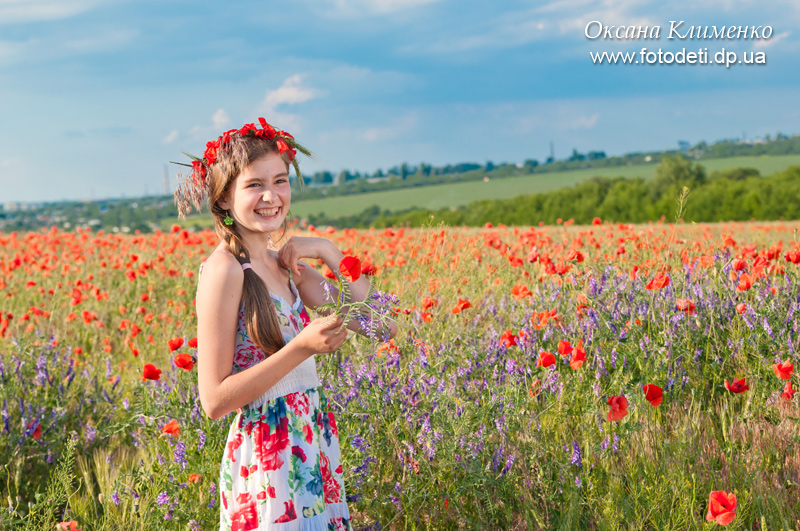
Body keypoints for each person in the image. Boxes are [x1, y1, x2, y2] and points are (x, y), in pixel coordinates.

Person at [177, 117, 397, 530]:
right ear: (223, 199)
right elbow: (214, 400)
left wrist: (329, 251)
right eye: (254, 185)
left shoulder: (284, 265)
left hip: (311, 445)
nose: (271, 196)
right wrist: (301, 348)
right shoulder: (224, 270)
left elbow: (380, 326)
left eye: (280, 181)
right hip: (268, 457)